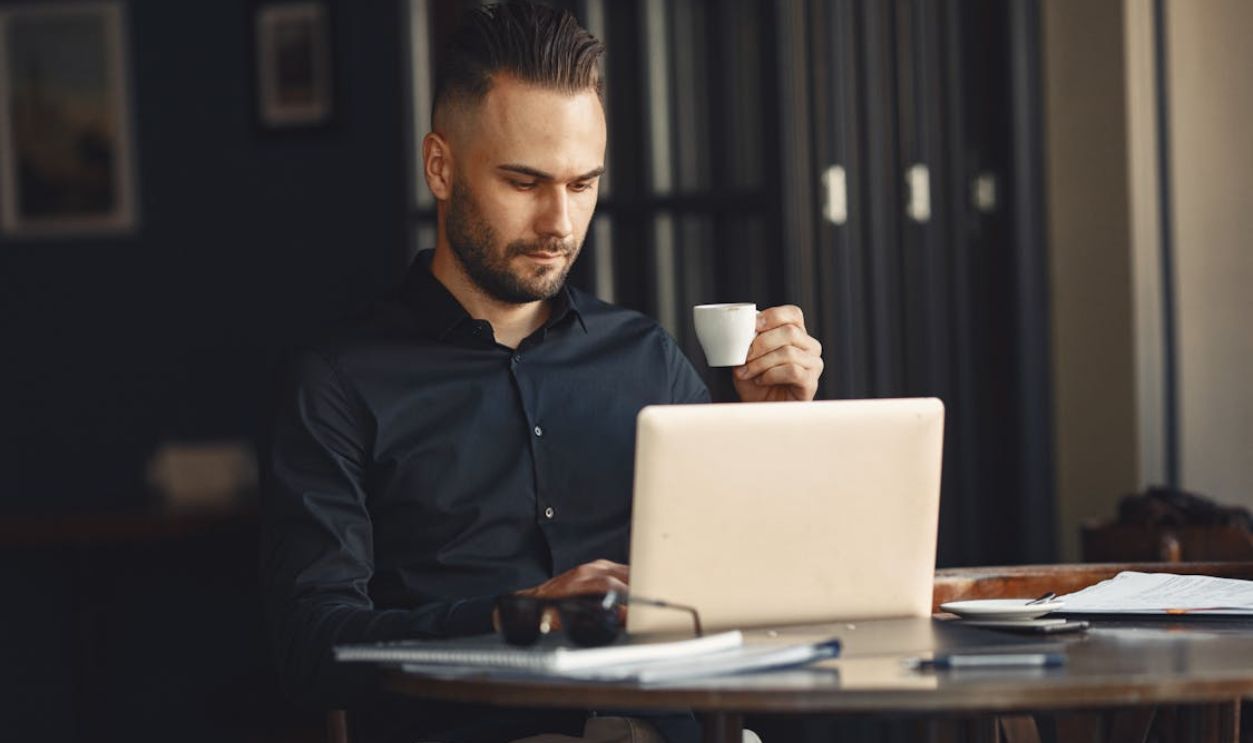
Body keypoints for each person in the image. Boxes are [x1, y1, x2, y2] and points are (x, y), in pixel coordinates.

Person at [261, 4, 823, 742]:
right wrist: (519, 614)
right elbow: (310, 648)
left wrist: (772, 433)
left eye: (582, 183)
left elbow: (760, 594)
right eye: (524, 182)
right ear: (441, 167)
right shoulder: (340, 382)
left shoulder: (645, 359)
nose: (559, 223)